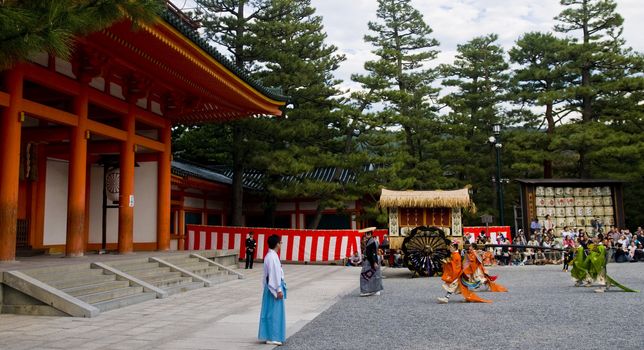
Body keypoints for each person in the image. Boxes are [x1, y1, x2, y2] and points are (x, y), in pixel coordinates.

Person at [571, 242, 637, 293]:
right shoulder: (598, 246)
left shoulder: (601, 246)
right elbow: (593, 253)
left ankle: (602, 288)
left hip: (600, 263)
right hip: (598, 262)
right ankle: (607, 285)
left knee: (601, 275)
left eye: (596, 238)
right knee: (601, 275)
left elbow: (599, 254)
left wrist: (593, 256)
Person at [258, 234, 287, 346]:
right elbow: (274, 274)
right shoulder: (272, 257)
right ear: (276, 244)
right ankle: (273, 336)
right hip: (274, 287)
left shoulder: (270, 256)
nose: (281, 245)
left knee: (269, 311)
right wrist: (278, 289)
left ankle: (269, 335)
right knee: (275, 313)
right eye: (280, 242)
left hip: (270, 287)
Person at [359, 228, 383, 297]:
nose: (367, 235)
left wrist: (374, 262)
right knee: (371, 275)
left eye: (368, 233)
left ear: (371, 234)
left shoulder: (372, 241)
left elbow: (374, 253)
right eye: (366, 233)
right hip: (369, 260)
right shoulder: (369, 241)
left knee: (367, 275)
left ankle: (371, 290)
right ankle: (372, 290)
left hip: (372, 260)